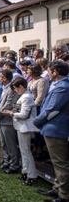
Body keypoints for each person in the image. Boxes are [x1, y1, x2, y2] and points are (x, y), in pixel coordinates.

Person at [35, 61, 69, 202]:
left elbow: (52, 109)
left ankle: (64, 195)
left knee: (60, 163)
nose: (48, 73)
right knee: (56, 162)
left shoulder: (63, 87)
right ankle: (57, 189)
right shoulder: (59, 85)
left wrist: (37, 121)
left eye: (49, 70)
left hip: (56, 128)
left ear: (55, 72)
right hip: (51, 128)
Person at [3, 77, 39, 185]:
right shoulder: (23, 96)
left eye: (16, 88)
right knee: (23, 151)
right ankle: (25, 171)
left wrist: (10, 113)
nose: (15, 91)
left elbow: (24, 115)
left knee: (26, 152)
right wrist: (12, 111)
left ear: (22, 87)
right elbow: (18, 110)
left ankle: (32, 175)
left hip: (25, 127)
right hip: (21, 127)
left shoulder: (27, 97)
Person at [0, 69, 20, 174]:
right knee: (4, 143)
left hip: (7, 120)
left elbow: (9, 105)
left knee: (10, 144)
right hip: (2, 120)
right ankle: (6, 161)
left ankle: (14, 165)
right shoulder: (5, 88)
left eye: (0, 76)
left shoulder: (12, 89)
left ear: (4, 77)